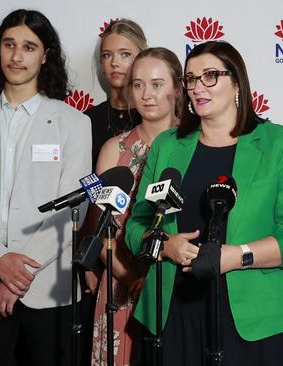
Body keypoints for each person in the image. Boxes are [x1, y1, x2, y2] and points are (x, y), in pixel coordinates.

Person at [125, 41, 283, 365]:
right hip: (175, 314)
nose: (198, 87)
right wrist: (163, 245)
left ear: (237, 83)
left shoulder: (280, 144)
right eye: (191, 79)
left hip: (260, 320)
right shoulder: (167, 146)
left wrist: (236, 256)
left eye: (211, 76)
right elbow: (136, 226)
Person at [0, 9, 91, 365]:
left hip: (47, 291)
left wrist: (17, 274)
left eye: (29, 46)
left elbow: (73, 208)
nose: (17, 55)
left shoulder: (73, 123)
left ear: (45, 56)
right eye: (9, 44)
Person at [90, 47, 183, 366]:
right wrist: (132, 280)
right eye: (139, 84)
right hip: (122, 287)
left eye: (157, 84)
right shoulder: (113, 150)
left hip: (178, 288)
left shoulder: (197, 145)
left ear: (177, 89)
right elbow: (101, 235)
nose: (147, 94)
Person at [85, 18, 147, 168]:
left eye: (125, 54)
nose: (114, 62)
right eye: (107, 55)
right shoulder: (87, 121)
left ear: (142, 58)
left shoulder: (153, 115)